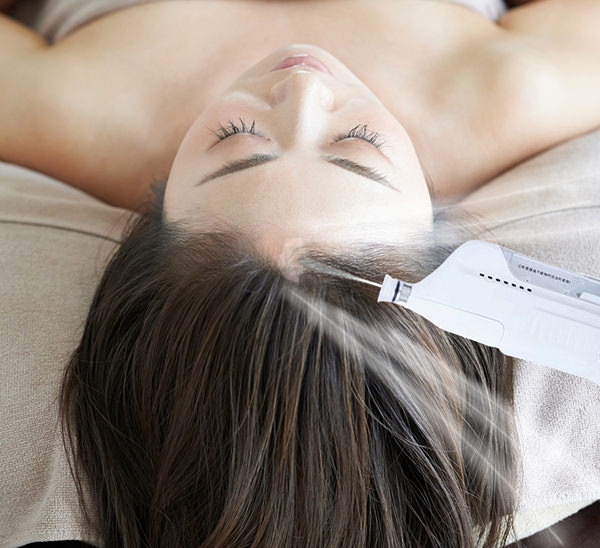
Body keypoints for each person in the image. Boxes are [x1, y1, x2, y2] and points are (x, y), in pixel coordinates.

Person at [1, 0, 599, 546]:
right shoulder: (514, 89)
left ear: (152, 220)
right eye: (358, 143)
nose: (304, 89)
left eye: (237, 138)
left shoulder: (72, 110)